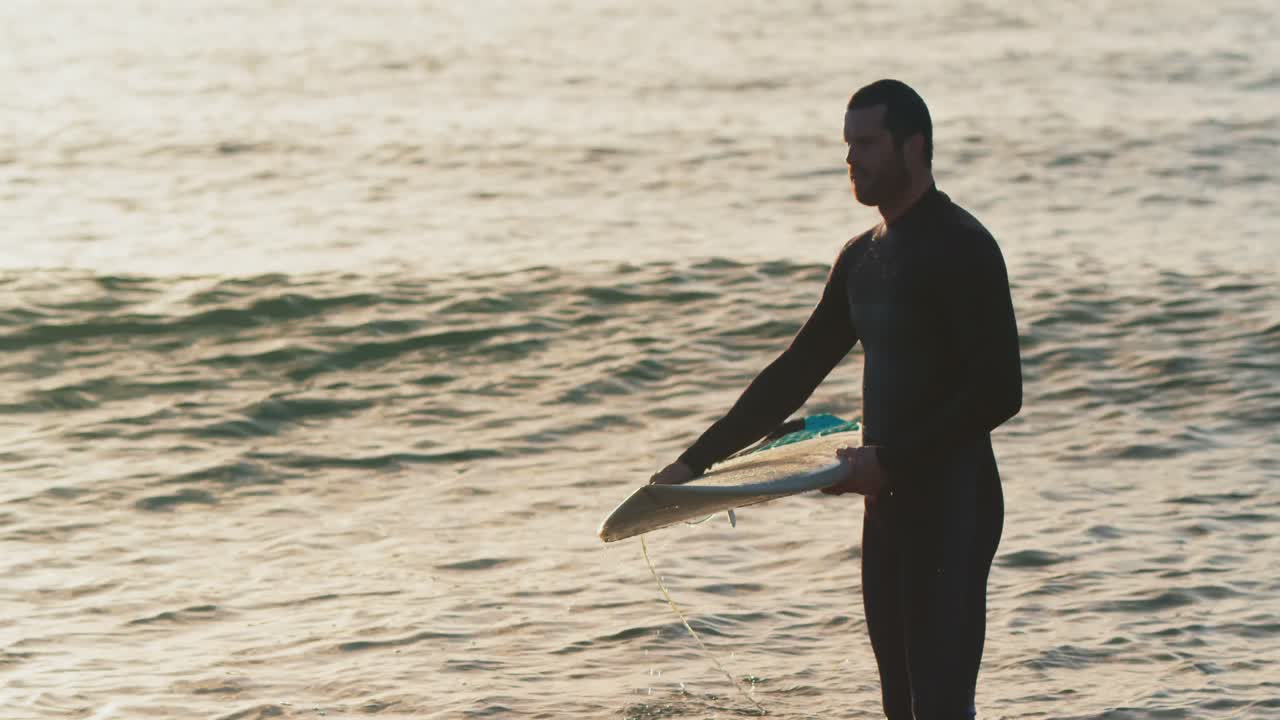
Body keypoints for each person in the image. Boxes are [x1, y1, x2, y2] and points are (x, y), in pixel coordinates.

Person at [649, 79, 1023, 719]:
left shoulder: (962, 245)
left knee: (940, 704)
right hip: (888, 510)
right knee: (898, 707)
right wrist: (693, 465)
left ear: (915, 146)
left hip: (954, 505)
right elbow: (793, 374)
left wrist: (895, 460)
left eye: (868, 143)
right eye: (847, 144)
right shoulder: (862, 260)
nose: (852, 159)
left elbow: (999, 390)